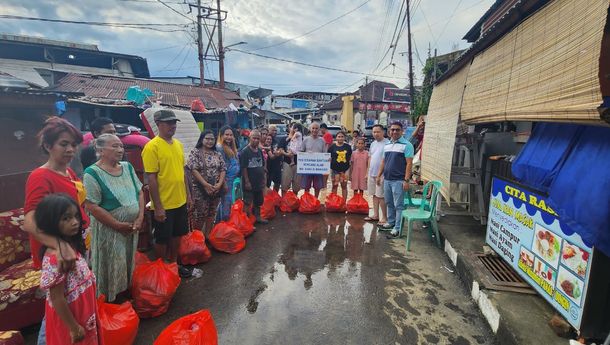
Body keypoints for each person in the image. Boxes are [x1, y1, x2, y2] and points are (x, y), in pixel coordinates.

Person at [23, 117, 89, 345]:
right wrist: (59, 246)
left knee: (73, 301)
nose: (70, 149)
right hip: (58, 255)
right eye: (63, 144)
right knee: (55, 307)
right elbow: (30, 221)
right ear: (48, 146)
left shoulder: (69, 173)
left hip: (76, 247)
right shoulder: (40, 176)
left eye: (73, 144)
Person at [83, 134, 144, 302]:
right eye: (115, 146)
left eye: (121, 146)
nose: (120, 150)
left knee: (127, 262)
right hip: (110, 231)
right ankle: (111, 301)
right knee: (112, 265)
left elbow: (139, 191)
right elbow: (92, 206)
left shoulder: (128, 167)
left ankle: (125, 296)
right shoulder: (92, 173)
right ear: (100, 150)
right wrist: (117, 225)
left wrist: (139, 218)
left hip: (131, 228)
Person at [36, 194, 101, 345]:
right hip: (72, 315)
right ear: (50, 222)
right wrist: (73, 327)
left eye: (76, 216)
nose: (75, 222)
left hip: (83, 309)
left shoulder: (68, 245)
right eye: (66, 218)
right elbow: (57, 297)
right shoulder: (55, 258)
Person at [142, 109, 192, 278]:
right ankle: (162, 269)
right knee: (162, 238)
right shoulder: (152, 147)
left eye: (174, 122)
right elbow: (152, 179)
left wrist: (189, 196)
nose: (172, 126)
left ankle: (174, 265)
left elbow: (182, 173)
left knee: (177, 235)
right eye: (168, 123)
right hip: (164, 204)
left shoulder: (178, 145)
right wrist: (158, 207)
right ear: (158, 124)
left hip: (180, 201)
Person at [376, 122, 414, 237]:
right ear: (389, 131)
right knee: (389, 202)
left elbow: (409, 164)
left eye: (397, 130)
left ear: (402, 131)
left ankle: (397, 228)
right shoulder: (387, 145)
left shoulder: (407, 145)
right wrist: (379, 175)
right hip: (387, 179)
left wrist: (406, 181)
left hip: (399, 180)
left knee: (399, 205)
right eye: (392, 130)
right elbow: (383, 161)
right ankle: (391, 222)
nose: (394, 132)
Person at [187, 130, 226, 235]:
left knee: (211, 213)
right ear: (202, 139)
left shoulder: (217, 153)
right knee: (199, 215)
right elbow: (193, 169)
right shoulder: (195, 152)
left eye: (212, 139)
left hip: (215, 189)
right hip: (200, 189)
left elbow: (223, 169)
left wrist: (219, 184)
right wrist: (205, 184)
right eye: (207, 138)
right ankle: (197, 238)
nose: (210, 141)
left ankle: (208, 236)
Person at [240, 130, 268, 224]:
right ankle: (246, 222)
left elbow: (263, 166)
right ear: (249, 138)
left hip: (258, 182)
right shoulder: (245, 152)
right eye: (254, 138)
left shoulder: (259, 150)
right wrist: (247, 182)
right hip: (249, 182)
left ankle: (257, 217)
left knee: (258, 201)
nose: (256, 140)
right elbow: (244, 168)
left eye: (258, 138)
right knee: (248, 202)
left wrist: (264, 179)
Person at [366, 125, 389, 224]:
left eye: (378, 132)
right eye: (374, 132)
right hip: (372, 173)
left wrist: (380, 175)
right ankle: (375, 215)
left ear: (383, 132)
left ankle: (384, 217)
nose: (375, 134)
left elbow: (385, 160)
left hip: (382, 174)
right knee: (374, 195)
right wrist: (367, 172)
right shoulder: (373, 144)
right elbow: (370, 158)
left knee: (381, 196)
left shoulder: (387, 143)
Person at [216, 126, 240, 221]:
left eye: (231, 135)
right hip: (226, 180)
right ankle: (224, 223)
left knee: (228, 202)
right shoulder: (220, 148)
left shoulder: (231, 147)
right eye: (226, 135)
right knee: (226, 201)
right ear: (221, 136)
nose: (229, 137)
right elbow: (220, 167)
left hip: (233, 179)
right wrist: (224, 183)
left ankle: (220, 223)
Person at [300, 122, 326, 198]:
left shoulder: (322, 140)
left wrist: (327, 160)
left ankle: (316, 200)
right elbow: (301, 151)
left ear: (319, 130)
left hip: (318, 167)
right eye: (313, 128)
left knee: (317, 186)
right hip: (307, 167)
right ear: (310, 129)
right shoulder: (305, 139)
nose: (314, 130)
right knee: (306, 185)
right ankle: (306, 200)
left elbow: (325, 153)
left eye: (316, 128)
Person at [327, 131, 352, 201]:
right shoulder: (332, 147)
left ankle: (344, 202)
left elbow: (350, 159)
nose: (340, 138)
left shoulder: (348, 147)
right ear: (336, 138)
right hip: (334, 170)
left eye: (342, 137)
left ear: (344, 138)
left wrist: (348, 170)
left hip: (344, 169)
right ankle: (333, 202)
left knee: (344, 186)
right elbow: (328, 157)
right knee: (334, 186)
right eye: (339, 137)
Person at [279, 123, 302, 195]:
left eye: (295, 128)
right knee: (284, 186)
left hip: (298, 165)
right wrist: (286, 154)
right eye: (292, 127)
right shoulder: (284, 139)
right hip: (287, 164)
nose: (293, 129)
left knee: (296, 187)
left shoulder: (301, 138)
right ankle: (283, 203)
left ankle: (294, 202)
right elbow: (280, 150)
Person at [266, 125, 282, 191]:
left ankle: (275, 197)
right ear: (269, 130)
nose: (275, 132)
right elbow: (271, 156)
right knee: (267, 184)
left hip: (277, 165)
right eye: (273, 130)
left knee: (277, 183)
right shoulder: (266, 140)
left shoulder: (277, 140)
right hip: (268, 166)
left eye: (276, 130)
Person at [320, 123, 334, 188]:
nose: (320, 131)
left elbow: (327, 146)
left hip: (326, 156)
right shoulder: (326, 135)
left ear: (323, 128)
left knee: (325, 171)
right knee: (325, 170)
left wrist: (324, 155)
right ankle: (324, 185)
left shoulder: (327, 135)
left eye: (320, 129)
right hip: (326, 155)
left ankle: (324, 185)